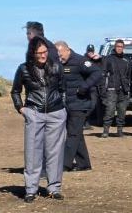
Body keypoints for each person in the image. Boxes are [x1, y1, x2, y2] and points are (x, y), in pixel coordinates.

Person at [11, 37, 67, 203]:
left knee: (55, 153)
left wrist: (62, 108)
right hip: (34, 112)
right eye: (39, 53)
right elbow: (15, 91)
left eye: (45, 52)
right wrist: (21, 108)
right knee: (32, 152)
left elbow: (63, 88)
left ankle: (54, 188)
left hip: (56, 113)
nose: (43, 55)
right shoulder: (23, 69)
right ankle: (31, 189)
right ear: (32, 53)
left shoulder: (57, 67)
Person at [56, 41, 101, 172]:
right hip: (66, 103)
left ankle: (64, 164)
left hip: (80, 103)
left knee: (72, 134)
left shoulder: (81, 61)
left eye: (61, 54)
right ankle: (84, 164)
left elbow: (97, 73)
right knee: (77, 134)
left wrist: (84, 87)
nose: (59, 57)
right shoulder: (58, 63)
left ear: (67, 50)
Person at [101, 39, 132, 138]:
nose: (119, 48)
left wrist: (129, 89)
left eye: (121, 47)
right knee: (109, 111)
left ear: (123, 48)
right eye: (118, 46)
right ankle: (106, 130)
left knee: (122, 112)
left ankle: (120, 131)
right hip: (111, 89)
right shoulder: (108, 59)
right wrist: (102, 90)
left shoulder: (127, 61)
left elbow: (129, 76)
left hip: (123, 90)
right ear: (115, 47)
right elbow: (103, 75)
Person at [84, 44, 103, 129]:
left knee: (99, 105)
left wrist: (100, 58)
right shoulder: (84, 60)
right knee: (91, 105)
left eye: (92, 51)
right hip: (89, 86)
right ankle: (83, 121)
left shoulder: (97, 59)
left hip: (98, 85)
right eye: (89, 51)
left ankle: (97, 122)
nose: (90, 53)